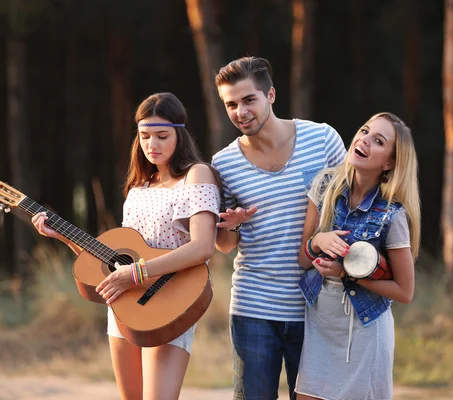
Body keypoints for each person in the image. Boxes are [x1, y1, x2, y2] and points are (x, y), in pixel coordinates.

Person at [31, 92, 221, 400]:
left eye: (162, 135)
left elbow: (202, 248)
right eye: (145, 136)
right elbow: (116, 261)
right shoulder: (137, 188)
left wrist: (137, 274)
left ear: (180, 135)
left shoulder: (196, 175)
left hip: (170, 301)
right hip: (126, 305)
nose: (152, 145)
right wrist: (63, 236)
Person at [211, 56, 347, 400]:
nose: (240, 112)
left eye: (248, 100)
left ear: (270, 95)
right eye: (230, 104)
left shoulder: (323, 139)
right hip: (253, 306)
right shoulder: (223, 163)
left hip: (316, 304)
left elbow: (352, 209)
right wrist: (234, 225)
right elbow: (225, 245)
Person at [295, 112, 421, 400]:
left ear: (389, 163)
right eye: (364, 131)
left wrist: (343, 273)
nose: (363, 140)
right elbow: (303, 260)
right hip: (321, 325)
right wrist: (318, 241)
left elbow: (404, 291)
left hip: (365, 331)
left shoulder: (393, 213)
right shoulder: (325, 186)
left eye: (378, 141)